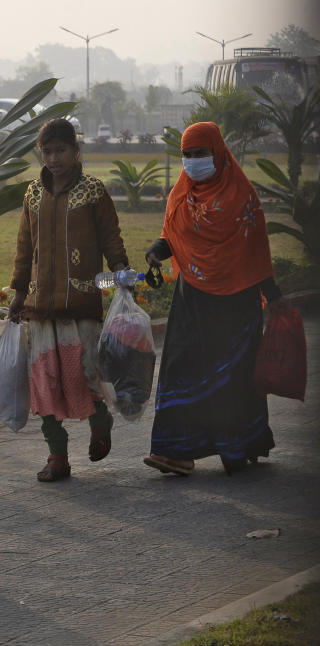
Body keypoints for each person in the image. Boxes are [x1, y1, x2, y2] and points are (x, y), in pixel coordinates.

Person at [143, 121, 284, 477]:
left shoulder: (241, 196)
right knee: (181, 369)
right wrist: (157, 251)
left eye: (200, 154)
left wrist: (274, 296)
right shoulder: (181, 194)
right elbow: (171, 236)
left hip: (236, 305)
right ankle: (174, 451)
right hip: (192, 299)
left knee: (232, 377)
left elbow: (255, 253)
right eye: (187, 155)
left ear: (218, 153)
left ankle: (240, 445)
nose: (192, 162)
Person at [8, 118, 130, 482]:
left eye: (61, 150)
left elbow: (111, 237)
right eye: (47, 151)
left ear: (76, 151)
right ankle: (56, 456)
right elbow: (23, 248)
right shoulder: (32, 194)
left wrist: (121, 271)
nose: (54, 157)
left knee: (84, 373)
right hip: (39, 306)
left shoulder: (93, 191)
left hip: (82, 302)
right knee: (44, 383)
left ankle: (100, 421)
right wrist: (17, 292)